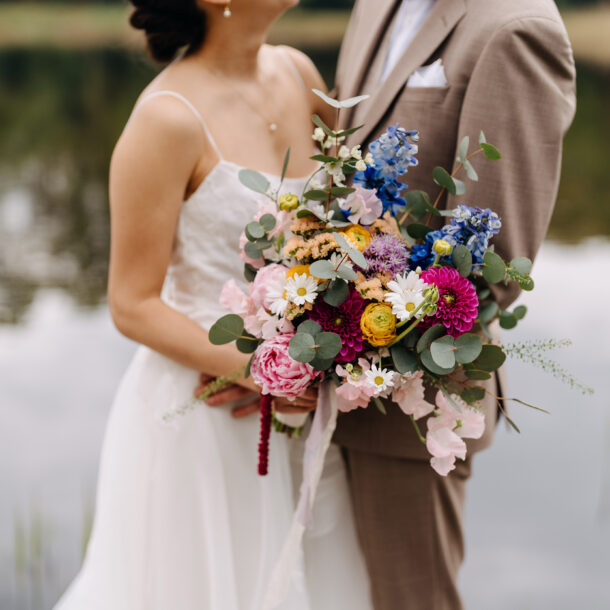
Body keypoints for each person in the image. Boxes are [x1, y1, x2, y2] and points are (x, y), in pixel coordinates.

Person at [208, 0, 577, 608]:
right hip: (321, 393)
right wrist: (292, 339)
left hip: (414, 413)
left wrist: (340, 344)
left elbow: (490, 266)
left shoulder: (516, 28)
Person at [52, 1, 372, 609]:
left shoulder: (300, 73)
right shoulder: (167, 119)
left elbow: (349, 226)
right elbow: (132, 302)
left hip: (306, 414)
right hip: (209, 416)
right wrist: (259, 367)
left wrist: (349, 329)